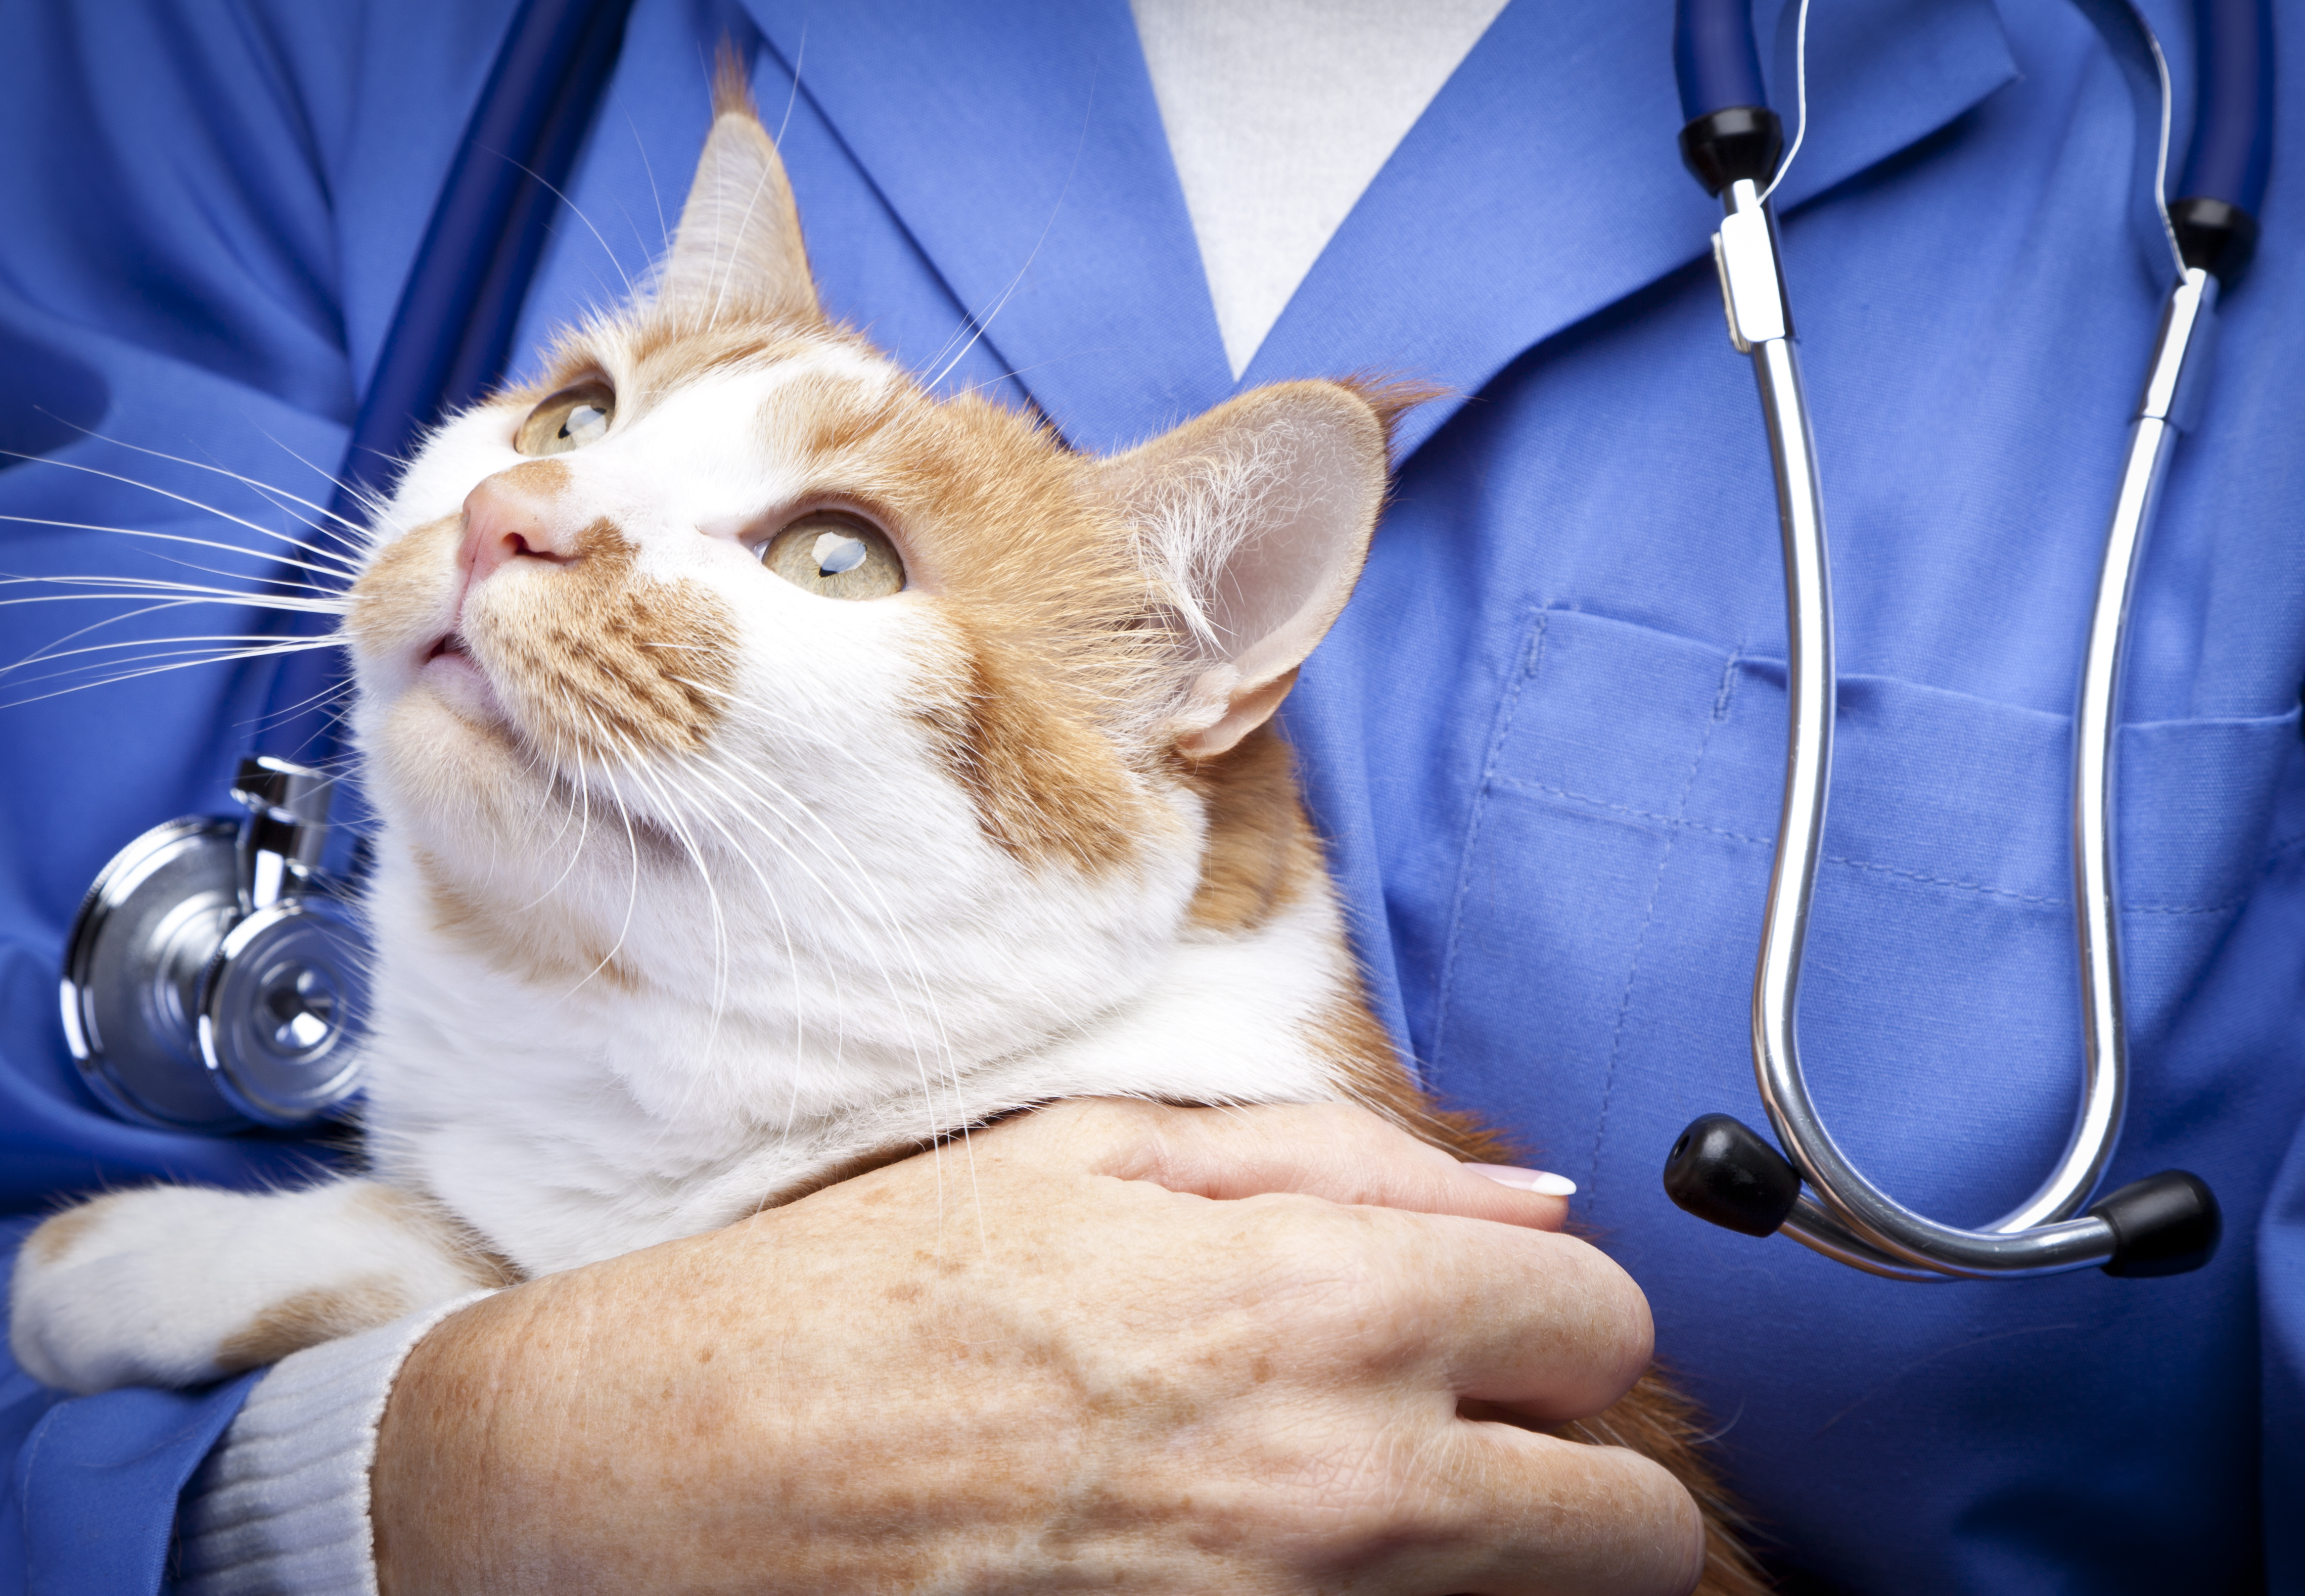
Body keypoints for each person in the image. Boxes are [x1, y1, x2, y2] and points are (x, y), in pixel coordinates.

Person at [2, 1, 2299, 1590]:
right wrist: (413, 1494)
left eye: (825, 546)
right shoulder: (289, 55)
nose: (535, 518)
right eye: (578, 417)